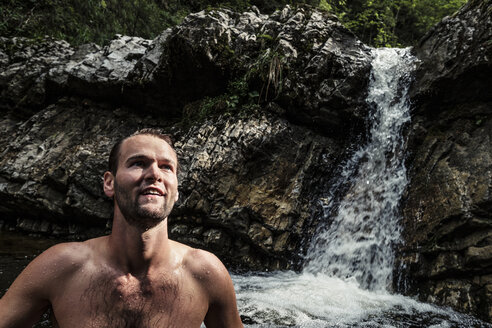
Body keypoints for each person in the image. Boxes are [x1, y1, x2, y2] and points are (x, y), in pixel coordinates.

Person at [0, 128, 244, 328]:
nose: (154, 174)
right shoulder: (61, 267)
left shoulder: (205, 273)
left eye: (166, 167)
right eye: (138, 163)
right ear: (110, 183)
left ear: (176, 190)